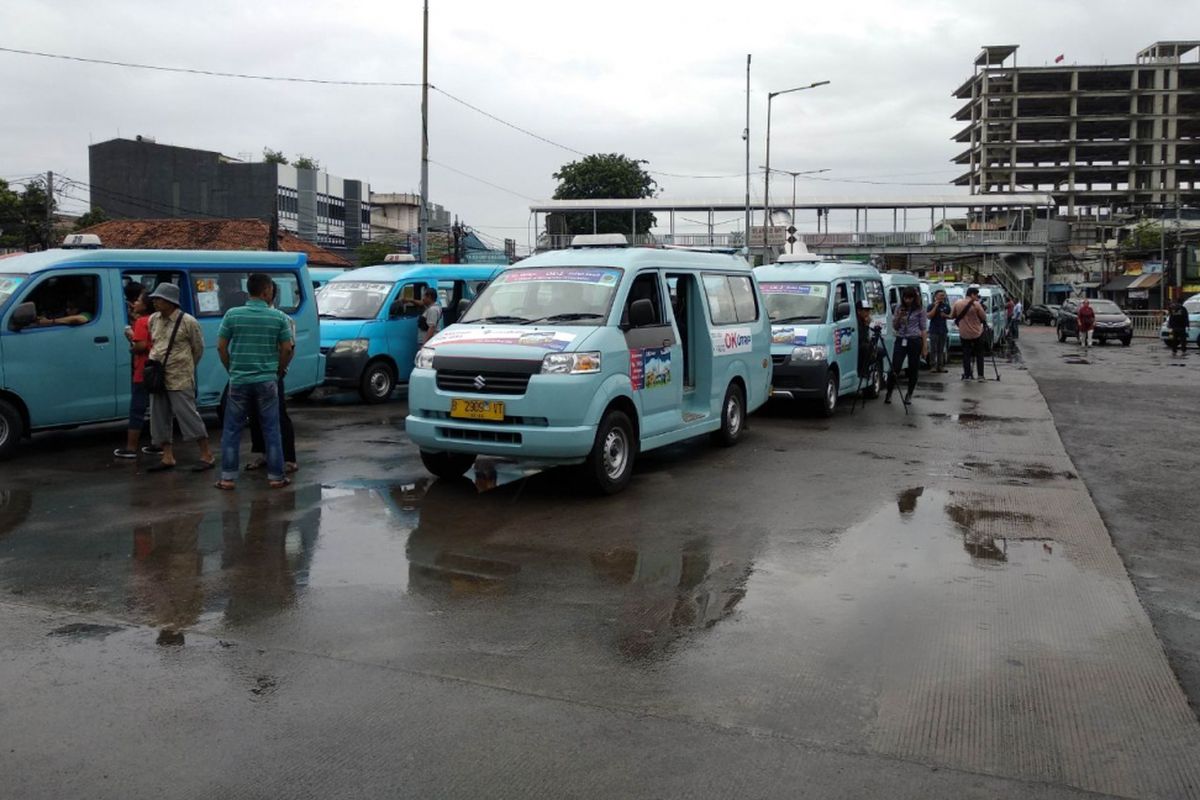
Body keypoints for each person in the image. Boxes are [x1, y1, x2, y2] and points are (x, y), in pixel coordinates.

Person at [215, 273, 295, 490]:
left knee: (232, 430)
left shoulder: (232, 315)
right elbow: (287, 348)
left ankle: (227, 478)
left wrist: (231, 369)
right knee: (271, 428)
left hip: (239, 379)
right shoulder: (277, 318)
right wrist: (277, 370)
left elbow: (221, 346)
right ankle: (276, 477)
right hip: (267, 380)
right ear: (266, 291)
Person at [145, 282, 215, 472]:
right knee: (159, 417)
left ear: (170, 301)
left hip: (180, 377)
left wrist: (186, 366)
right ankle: (167, 456)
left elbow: (197, 348)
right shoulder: (153, 319)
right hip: (158, 376)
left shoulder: (188, 321)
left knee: (188, 416)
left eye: (159, 299)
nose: (155, 302)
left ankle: (206, 454)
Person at [246, 280, 298, 474]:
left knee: (279, 414)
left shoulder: (282, 318)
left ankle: (289, 458)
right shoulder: (247, 316)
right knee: (255, 414)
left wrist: (279, 371)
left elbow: (289, 348)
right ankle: (263, 454)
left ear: (269, 294)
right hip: (253, 372)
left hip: (272, 373)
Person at [114, 291, 152, 459]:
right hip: (156, 369)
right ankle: (158, 444)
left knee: (137, 408)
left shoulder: (142, 322)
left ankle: (131, 448)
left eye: (137, 300)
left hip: (143, 369)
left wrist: (131, 340)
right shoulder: (158, 320)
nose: (134, 303)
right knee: (158, 409)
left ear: (145, 305)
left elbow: (141, 346)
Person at [885, 286, 928, 404]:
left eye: (910, 298)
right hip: (901, 338)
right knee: (895, 367)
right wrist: (899, 317)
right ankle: (889, 392)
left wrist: (925, 347)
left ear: (914, 298)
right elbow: (895, 326)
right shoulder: (899, 307)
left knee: (913, 368)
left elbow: (923, 329)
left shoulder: (920, 310)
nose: (908, 300)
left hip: (914, 340)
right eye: (906, 298)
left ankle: (909, 393)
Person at [952, 287, 988, 381]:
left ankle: (967, 375)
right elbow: (983, 317)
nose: (977, 297)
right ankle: (980, 375)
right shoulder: (976, 305)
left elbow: (953, 315)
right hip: (977, 332)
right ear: (972, 294)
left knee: (966, 354)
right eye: (976, 295)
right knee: (979, 354)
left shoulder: (957, 303)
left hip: (964, 332)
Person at [926, 289, 951, 373]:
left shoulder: (946, 306)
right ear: (936, 296)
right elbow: (929, 316)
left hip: (943, 330)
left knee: (941, 349)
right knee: (933, 349)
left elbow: (950, 315)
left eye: (943, 295)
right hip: (934, 330)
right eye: (940, 295)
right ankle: (932, 366)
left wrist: (945, 315)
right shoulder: (931, 305)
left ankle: (940, 366)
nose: (942, 297)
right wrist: (935, 306)